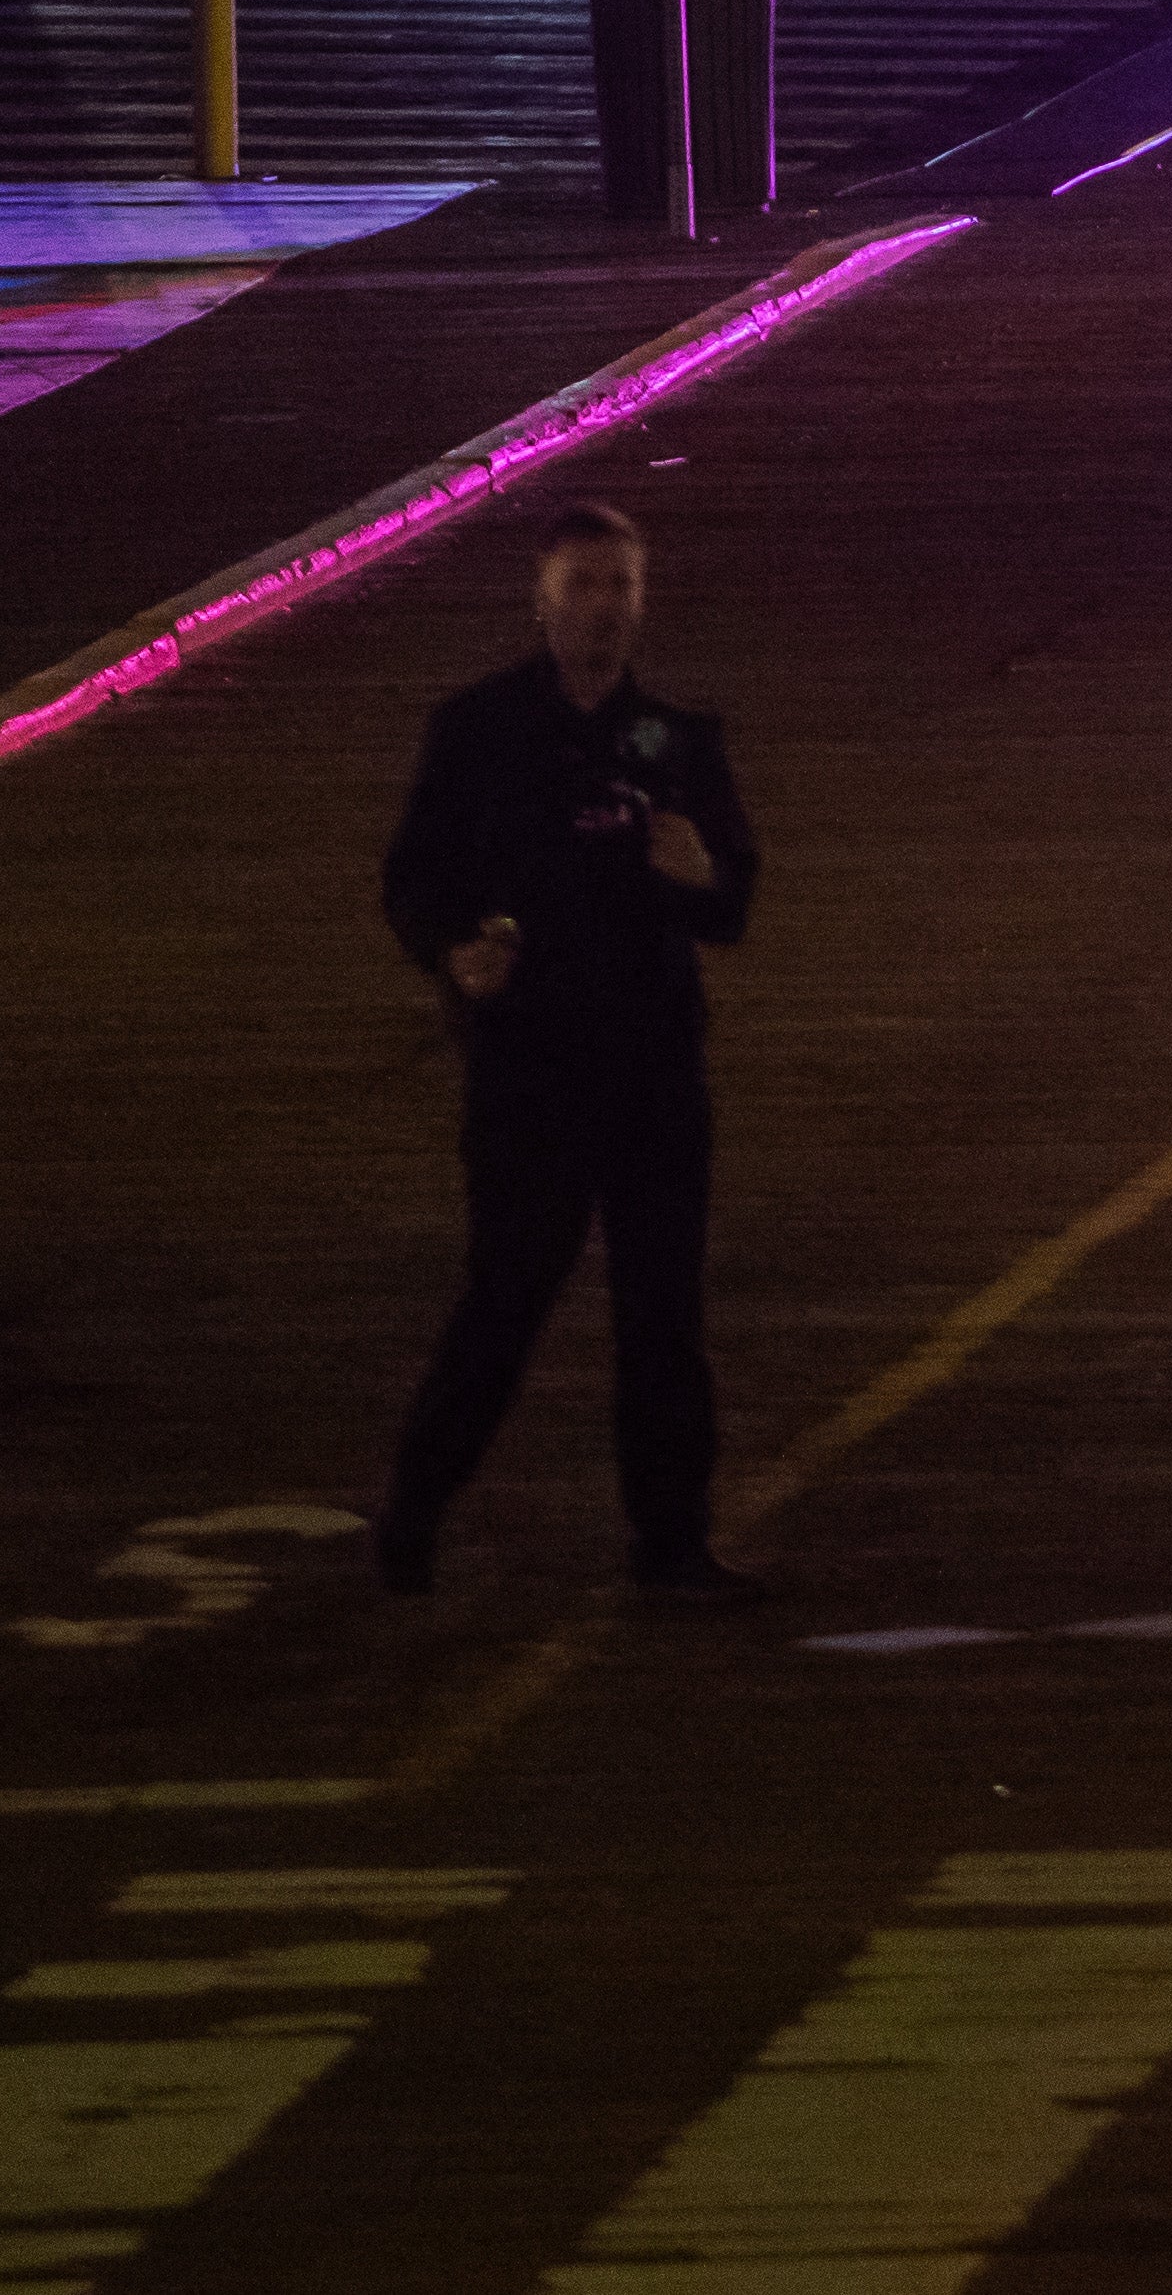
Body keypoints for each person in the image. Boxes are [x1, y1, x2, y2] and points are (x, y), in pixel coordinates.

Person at [373, 504, 766, 1604]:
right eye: (585, 585)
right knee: (506, 1296)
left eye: (622, 587)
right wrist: (453, 955)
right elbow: (415, 878)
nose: (603, 608)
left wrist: (701, 874)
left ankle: (674, 1545)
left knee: (663, 1315)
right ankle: (415, 1512)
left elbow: (731, 903)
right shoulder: (478, 734)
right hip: (530, 1071)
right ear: (541, 599)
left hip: (651, 1070)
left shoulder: (679, 744)